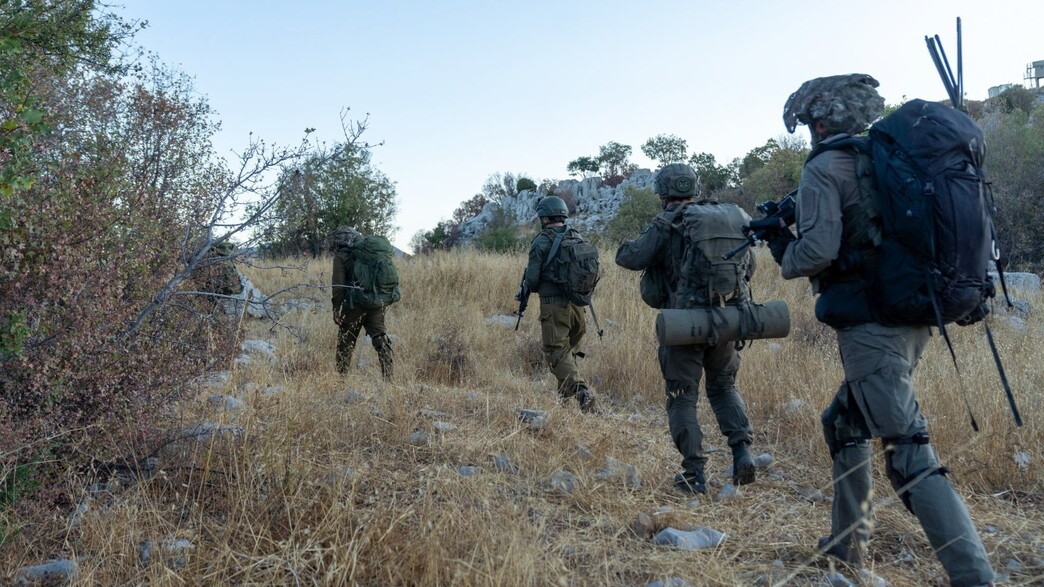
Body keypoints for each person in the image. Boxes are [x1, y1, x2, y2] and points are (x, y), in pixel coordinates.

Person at [764, 73, 995, 586]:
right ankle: (846, 549)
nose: (808, 131)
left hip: (872, 326)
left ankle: (974, 576)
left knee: (909, 451)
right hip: (912, 316)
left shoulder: (827, 166)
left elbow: (817, 253)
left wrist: (784, 250)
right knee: (844, 422)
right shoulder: (887, 159)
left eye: (808, 124)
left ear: (820, 122)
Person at [615, 163, 757, 494]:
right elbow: (750, 266)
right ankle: (742, 453)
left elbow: (630, 258)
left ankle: (694, 474)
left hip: (684, 325)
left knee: (682, 396)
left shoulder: (667, 223)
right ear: (694, 187)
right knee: (723, 388)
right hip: (726, 320)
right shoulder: (725, 219)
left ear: (663, 192)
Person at [522, 195, 596, 412]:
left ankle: (581, 392)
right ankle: (564, 401)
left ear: (544, 217)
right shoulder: (576, 236)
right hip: (578, 305)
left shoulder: (541, 241)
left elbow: (533, 280)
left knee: (556, 351)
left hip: (554, 306)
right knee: (567, 351)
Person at [331, 225, 394, 379]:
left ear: (339, 241)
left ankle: (341, 380)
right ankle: (389, 378)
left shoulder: (341, 256)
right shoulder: (369, 253)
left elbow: (338, 286)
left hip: (354, 305)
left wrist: (336, 308)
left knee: (345, 342)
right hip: (376, 303)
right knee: (380, 339)